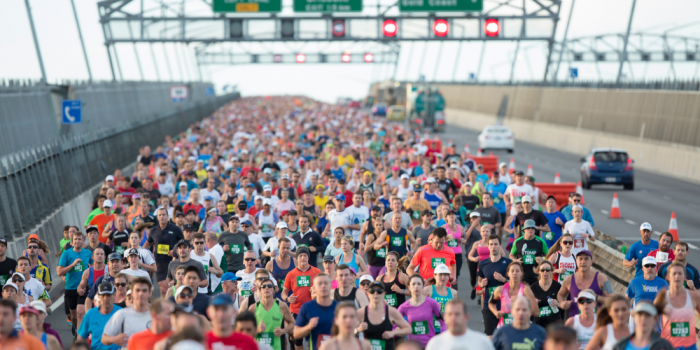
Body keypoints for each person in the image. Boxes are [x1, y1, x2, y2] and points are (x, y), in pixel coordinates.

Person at [654, 261, 700, 350]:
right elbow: (652, 318)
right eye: (674, 273)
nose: (677, 276)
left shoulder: (694, 296)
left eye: (680, 273)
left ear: (684, 277)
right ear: (668, 277)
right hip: (668, 345)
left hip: (689, 345)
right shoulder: (662, 296)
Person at [284, 247, 322, 349]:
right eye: (300, 256)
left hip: (313, 310)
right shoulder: (291, 274)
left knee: (313, 338)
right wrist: (287, 299)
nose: (303, 258)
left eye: (305, 255)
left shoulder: (317, 271)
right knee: (297, 339)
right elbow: (284, 292)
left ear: (308, 257)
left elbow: (323, 288)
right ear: (297, 258)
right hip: (296, 310)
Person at [357, 280, 411, 350]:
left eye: (379, 291)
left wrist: (393, 333)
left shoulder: (391, 312)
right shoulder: (361, 313)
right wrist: (358, 329)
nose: (375, 294)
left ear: (383, 293)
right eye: (372, 291)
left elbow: (408, 329)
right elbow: (346, 331)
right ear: (367, 293)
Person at [102, 277, 154, 349]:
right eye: (137, 290)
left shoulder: (157, 314)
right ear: (132, 293)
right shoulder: (122, 314)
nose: (141, 294)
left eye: (144, 291)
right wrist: (114, 339)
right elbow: (104, 338)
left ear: (150, 293)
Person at [558, 250, 613, 318]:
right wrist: (561, 303)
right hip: (575, 322)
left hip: (596, 322)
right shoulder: (568, 280)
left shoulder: (602, 278)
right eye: (580, 259)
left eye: (586, 259)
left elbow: (612, 299)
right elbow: (560, 294)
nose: (583, 262)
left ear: (591, 262)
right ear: (576, 261)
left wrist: (595, 297)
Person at [143, 207, 185, 295]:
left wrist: (175, 251)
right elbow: (147, 244)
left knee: (172, 287)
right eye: (160, 215)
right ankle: (163, 307)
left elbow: (183, 244)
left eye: (163, 215)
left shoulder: (175, 229)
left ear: (167, 216)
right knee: (163, 288)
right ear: (157, 217)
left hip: (173, 262)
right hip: (159, 262)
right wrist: (141, 254)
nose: (162, 216)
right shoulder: (153, 230)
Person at [58, 230, 93, 331]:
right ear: (71, 242)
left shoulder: (87, 253)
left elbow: (92, 266)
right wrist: (73, 264)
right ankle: (76, 328)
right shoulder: (66, 254)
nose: (77, 241)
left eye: (79, 239)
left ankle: (80, 335)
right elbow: (60, 272)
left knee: (81, 312)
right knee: (73, 316)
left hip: (83, 287)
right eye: (75, 239)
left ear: (83, 241)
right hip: (70, 287)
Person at [477, 234, 512, 337]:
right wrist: (481, 283)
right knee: (490, 337)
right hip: (489, 305)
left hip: (505, 306)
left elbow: (517, 284)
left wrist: (504, 279)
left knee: (506, 336)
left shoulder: (508, 263)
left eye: (496, 244)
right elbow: (479, 282)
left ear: (500, 245)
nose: (493, 247)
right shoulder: (483, 264)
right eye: (491, 244)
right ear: (488, 246)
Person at [425, 298, 494, 350]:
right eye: (450, 314)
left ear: (466, 317)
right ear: (444, 317)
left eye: (457, 314)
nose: (453, 318)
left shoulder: (482, 342)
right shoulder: (435, 344)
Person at [247, 277, 295, 350]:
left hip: (277, 347)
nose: (266, 288)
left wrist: (283, 331)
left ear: (273, 291)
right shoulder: (253, 308)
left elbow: (292, 322)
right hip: (259, 347)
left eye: (270, 286)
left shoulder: (281, 306)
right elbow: (246, 330)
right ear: (260, 291)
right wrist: (257, 330)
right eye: (263, 287)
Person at [398, 275, 444, 348]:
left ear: (423, 287)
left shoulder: (432, 303)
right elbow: (395, 326)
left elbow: (443, 322)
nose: (416, 286)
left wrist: (442, 338)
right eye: (413, 284)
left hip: (430, 346)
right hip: (413, 347)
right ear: (409, 287)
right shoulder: (403, 307)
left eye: (419, 284)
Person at [293, 273, 337, 350]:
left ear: (331, 287)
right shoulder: (306, 307)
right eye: (319, 284)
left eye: (326, 283)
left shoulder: (339, 308)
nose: (323, 286)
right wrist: (308, 327)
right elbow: (296, 334)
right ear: (314, 288)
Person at [488, 262, 538, 328]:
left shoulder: (526, 290)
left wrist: (520, 300)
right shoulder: (500, 290)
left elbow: (536, 313)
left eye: (517, 271)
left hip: (521, 328)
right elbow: (491, 303)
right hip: (504, 328)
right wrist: (495, 312)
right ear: (508, 273)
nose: (515, 273)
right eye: (512, 271)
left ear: (521, 273)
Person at [78, 281, 123, 350]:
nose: (105, 298)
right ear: (98, 296)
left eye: (108, 295)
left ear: (114, 296)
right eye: (103, 295)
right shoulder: (90, 314)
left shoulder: (121, 313)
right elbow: (80, 340)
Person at [510, 220, 549, 285]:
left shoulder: (541, 242)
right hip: (522, 275)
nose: (530, 230)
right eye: (528, 228)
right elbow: (511, 255)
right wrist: (515, 260)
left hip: (537, 275)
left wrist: (543, 259)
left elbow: (549, 256)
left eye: (532, 228)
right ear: (524, 230)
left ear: (535, 230)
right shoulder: (517, 242)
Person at [531, 260, 563, 329]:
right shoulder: (533, 287)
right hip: (538, 323)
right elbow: (529, 309)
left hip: (554, 323)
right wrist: (533, 304)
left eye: (547, 270)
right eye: (542, 270)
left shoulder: (557, 286)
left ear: (551, 271)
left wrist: (558, 304)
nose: (545, 272)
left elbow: (563, 305)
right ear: (539, 271)